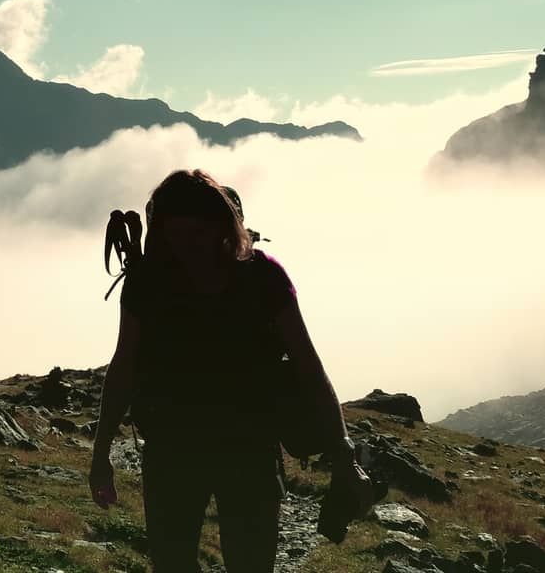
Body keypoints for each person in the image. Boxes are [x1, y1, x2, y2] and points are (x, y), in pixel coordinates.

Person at [87, 169, 370, 573]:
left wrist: (343, 452)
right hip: (188, 448)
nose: (187, 247)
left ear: (221, 227)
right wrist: (100, 455)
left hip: (232, 448)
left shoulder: (261, 277)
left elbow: (309, 366)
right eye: (175, 236)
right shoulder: (154, 282)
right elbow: (124, 367)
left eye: (196, 234)